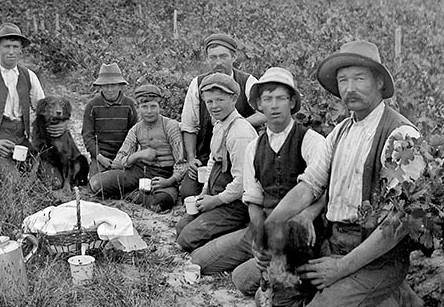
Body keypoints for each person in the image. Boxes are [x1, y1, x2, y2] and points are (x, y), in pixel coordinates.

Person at [265, 41, 423, 307]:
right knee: (268, 286)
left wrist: (340, 269)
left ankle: (390, 292)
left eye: (359, 78)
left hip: (377, 259)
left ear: (380, 84)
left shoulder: (401, 136)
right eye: (342, 80)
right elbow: (309, 186)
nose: (349, 88)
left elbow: (398, 223)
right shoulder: (340, 132)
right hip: (334, 242)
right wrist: (270, 227)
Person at [190, 68, 327, 306]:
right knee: (202, 261)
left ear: (292, 102)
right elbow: (253, 198)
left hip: (297, 235)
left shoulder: (311, 141)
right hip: (263, 225)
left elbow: (325, 189)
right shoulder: (255, 146)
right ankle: (261, 267)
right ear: (259, 105)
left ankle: (284, 281)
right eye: (267, 99)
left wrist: (307, 214)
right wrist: (258, 236)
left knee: (260, 287)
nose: (274, 105)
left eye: (280, 98)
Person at [0, 22, 65, 178]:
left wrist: (58, 125)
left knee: (52, 178)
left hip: (21, 143)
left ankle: (3, 168)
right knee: (14, 184)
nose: (11, 52)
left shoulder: (29, 76)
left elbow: (43, 109)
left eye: (15, 47)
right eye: (7, 46)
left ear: (21, 50)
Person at [176, 73, 257, 251]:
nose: (214, 106)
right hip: (217, 197)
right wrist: (205, 193)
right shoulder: (220, 124)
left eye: (220, 100)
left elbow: (242, 183)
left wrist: (215, 201)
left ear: (234, 98)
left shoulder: (240, 132)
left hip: (236, 204)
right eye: (209, 101)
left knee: (186, 240)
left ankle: (235, 233)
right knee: (180, 228)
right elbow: (213, 160)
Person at [180, 33, 266, 198]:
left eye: (223, 56)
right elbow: (189, 125)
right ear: (207, 59)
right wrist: (191, 158)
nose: (218, 62)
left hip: (240, 152)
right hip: (208, 157)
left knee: (237, 188)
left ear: (234, 57)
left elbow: (265, 112)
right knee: (187, 193)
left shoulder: (247, 81)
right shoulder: (197, 84)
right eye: (213, 57)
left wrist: (234, 125)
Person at [89, 84, 185, 212]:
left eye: (153, 106)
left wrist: (169, 181)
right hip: (139, 171)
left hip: (165, 175)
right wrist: (139, 155)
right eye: (144, 107)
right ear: (138, 108)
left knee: (158, 204)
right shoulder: (136, 129)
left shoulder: (170, 126)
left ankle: (132, 194)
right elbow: (118, 162)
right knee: (96, 184)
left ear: (160, 107)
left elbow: (181, 163)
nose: (149, 111)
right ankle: (137, 193)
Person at [81, 63, 137, 177]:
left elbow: (134, 134)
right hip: (101, 156)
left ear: (120, 85)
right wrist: (99, 157)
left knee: (127, 185)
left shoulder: (129, 105)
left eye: (113, 85)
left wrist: (125, 157)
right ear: (100, 87)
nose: (110, 89)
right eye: (106, 86)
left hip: (124, 155)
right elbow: (87, 135)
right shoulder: (92, 106)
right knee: (97, 185)